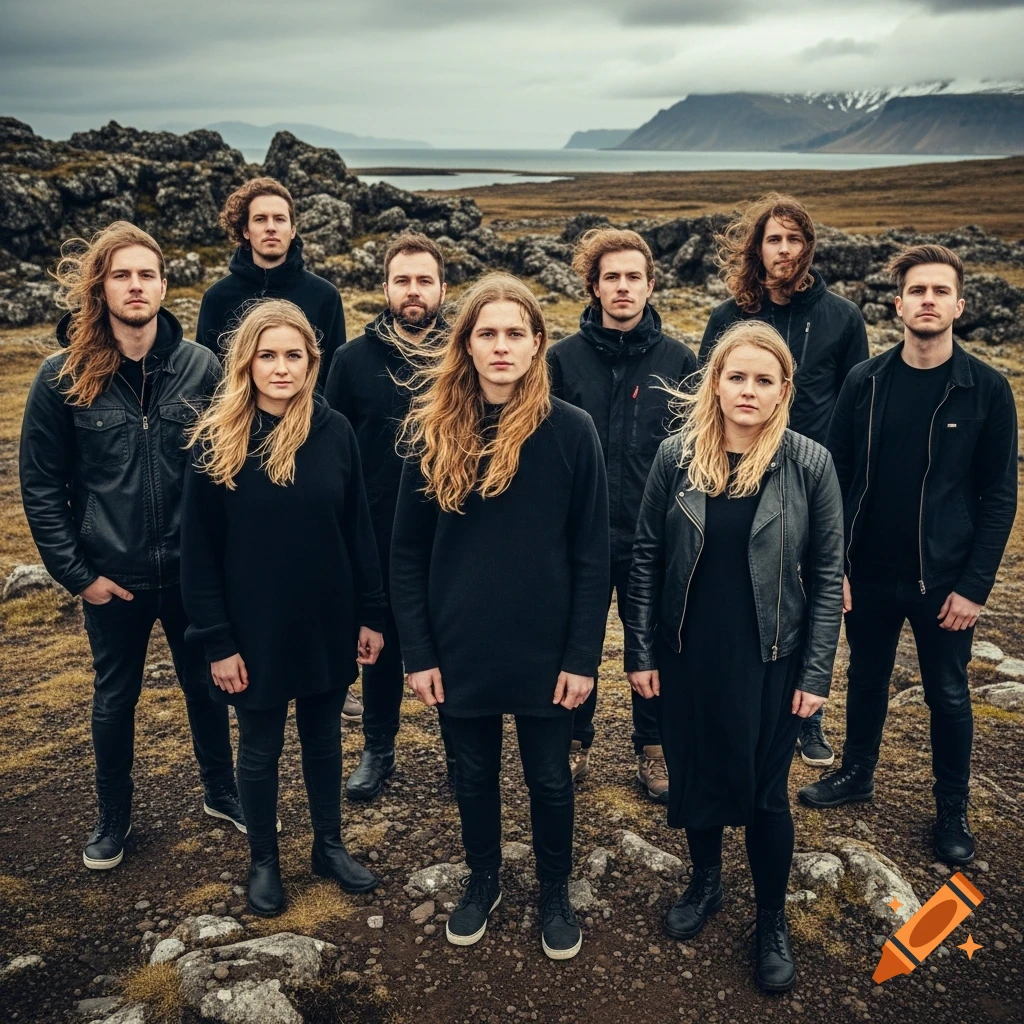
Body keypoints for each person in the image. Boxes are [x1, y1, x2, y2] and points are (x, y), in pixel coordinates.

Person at [390, 274, 609, 960]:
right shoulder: (434, 431)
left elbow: (591, 557)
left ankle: (552, 890)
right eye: (488, 332)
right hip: (459, 648)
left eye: (516, 333)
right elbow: (404, 554)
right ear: (467, 344)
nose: (502, 345)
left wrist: (581, 659)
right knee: (474, 773)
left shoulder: (573, 433)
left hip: (546, 653)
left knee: (549, 778)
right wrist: (418, 653)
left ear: (538, 343)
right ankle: (483, 878)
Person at [625, 321, 844, 992]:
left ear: (783, 390)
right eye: (735, 376)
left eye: (763, 379)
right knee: (696, 775)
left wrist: (815, 675)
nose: (747, 390)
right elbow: (647, 557)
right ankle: (706, 883)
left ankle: (771, 919)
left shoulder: (809, 462)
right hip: (688, 651)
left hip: (771, 656)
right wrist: (640, 651)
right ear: (715, 382)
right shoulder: (676, 457)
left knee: (764, 793)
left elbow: (830, 574)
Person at [19, 221, 239, 870]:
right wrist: (76, 574)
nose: (136, 285)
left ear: (164, 285)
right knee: (115, 698)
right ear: (101, 288)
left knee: (206, 688)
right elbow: (41, 483)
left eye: (147, 274)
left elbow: (225, 468)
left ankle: (221, 792)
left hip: (191, 574)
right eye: (122, 275)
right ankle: (112, 817)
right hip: (110, 577)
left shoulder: (200, 365)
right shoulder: (61, 377)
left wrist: (223, 565)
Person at [798, 245, 1018, 866]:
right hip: (866, 572)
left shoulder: (986, 389)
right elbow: (833, 481)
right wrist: (833, 565)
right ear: (897, 305)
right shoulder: (864, 382)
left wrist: (974, 586)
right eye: (916, 291)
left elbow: (999, 497)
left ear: (959, 305)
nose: (927, 300)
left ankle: (952, 809)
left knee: (947, 693)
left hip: (943, 580)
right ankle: (856, 772)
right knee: (864, 677)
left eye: (939, 291)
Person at [180, 299, 387, 916]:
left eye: (292, 355)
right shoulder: (217, 438)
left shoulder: (334, 431)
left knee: (324, 739)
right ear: (245, 362)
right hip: (252, 628)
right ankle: (264, 861)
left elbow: (359, 532)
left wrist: (371, 612)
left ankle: (329, 845)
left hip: (326, 618)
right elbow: (199, 553)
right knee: (262, 746)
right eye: (266, 355)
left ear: (311, 361)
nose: (280, 367)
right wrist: (217, 640)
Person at [699, 192, 867, 769]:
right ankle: (733, 699)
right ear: (758, 247)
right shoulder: (729, 317)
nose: (785, 250)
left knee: (810, 592)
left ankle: (808, 717)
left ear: (809, 246)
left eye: (795, 239)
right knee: (741, 588)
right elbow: (707, 397)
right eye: (774, 239)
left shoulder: (843, 318)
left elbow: (853, 413)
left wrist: (839, 485)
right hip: (736, 472)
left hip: (811, 475)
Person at [548, 228, 696, 802]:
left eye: (634, 276)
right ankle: (572, 736)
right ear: (593, 286)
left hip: (650, 534)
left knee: (653, 640)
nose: (623, 287)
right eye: (611, 276)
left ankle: (654, 745)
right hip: (575, 536)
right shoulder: (560, 359)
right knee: (571, 637)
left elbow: (690, 452)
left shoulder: (679, 359)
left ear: (651, 284)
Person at [325, 233, 456, 799]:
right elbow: (331, 447)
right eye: (402, 280)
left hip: (455, 532)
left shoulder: (465, 354)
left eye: (424, 280)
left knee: (454, 643)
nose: (413, 291)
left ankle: (462, 755)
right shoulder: (351, 362)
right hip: (377, 532)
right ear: (385, 288)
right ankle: (378, 749)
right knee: (379, 645)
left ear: (442, 289)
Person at [195, 177, 346, 391]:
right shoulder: (217, 297)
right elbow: (206, 377)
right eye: (260, 219)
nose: (271, 228)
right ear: (245, 231)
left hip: (305, 419)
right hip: (236, 420)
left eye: (280, 219)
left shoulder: (325, 295)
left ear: (292, 230)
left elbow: (334, 378)